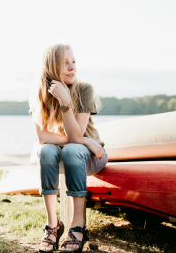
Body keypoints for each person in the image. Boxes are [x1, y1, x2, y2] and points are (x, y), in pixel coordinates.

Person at [29, 44, 108, 252]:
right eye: (65, 63)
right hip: (70, 149)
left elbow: (75, 136)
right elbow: (42, 137)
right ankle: (52, 224)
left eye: (73, 62)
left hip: (92, 156)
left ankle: (77, 224)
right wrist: (83, 139)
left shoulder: (84, 90)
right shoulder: (39, 93)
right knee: (46, 150)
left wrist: (65, 101)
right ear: (50, 66)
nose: (72, 67)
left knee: (73, 150)